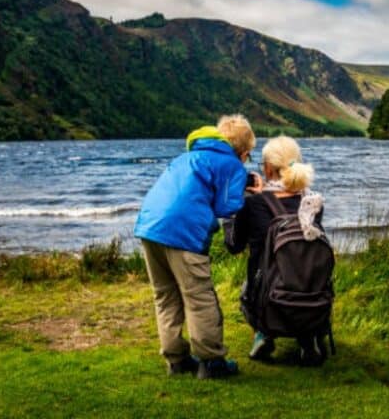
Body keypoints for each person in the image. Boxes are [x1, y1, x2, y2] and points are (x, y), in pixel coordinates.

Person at [134, 114, 256, 379]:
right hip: (184, 233)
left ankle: (176, 360)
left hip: (150, 227)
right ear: (244, 152)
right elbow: (227, 207)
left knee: (166, 296)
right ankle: (212, 362)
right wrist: (246, 191)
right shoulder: (233, 165)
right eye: (249, 156)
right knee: (199, 297)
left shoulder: (186, 157)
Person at [224, 135, 325, 363]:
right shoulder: (314, 203)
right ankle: (307, 339)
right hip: (311, 291)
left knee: (246, 290)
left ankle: (263, 334)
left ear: (268, 169)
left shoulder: (253, 204)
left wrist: (232, 214)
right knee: (298, 274)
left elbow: (233, 246)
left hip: (267, 296)